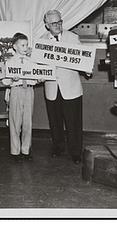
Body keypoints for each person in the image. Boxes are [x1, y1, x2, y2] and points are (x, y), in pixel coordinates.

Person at [41, 10, 86, 164]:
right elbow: (39, 65)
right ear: (47, 25)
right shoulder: (41, 41)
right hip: (52, 88)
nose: (58, 25)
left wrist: (87, 68)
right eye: (54, 23)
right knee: (55, 121)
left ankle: (75, 151)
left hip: (71, 88)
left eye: (60, 22)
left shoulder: (73, 38)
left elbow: (83, 60)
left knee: (74, 122)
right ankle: (58, 146)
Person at [2, 32, 41, 162]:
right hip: (16, 91)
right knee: (15, 122)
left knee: (27, 122)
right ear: (14, 47)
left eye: (26, 45)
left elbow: (35, 77)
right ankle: (15, 151)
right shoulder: (10, 62)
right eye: (22, 45)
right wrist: (12, 79)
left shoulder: (32, 61)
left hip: (29, 91)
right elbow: (4, 81)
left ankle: (26, 150)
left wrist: (39, 79)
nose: (25, 47)